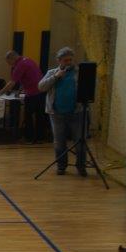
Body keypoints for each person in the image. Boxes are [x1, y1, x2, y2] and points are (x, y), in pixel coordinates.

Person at [38, 47, 86, 176]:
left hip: (76, 112)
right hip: (57, 113)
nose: (69, 62)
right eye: (66, 60)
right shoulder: (52, 72)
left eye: (70, 60)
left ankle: (81, 166)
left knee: (79, 141)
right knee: (59, 141)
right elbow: (41, 87)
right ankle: (61, 166)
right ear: (59, 60)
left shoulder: (79, 72)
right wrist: (55, 77)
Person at [0, 50, 47, 143]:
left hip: (33, 93)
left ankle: (28, 138)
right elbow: (27, 77)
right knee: (40, 116)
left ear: (12, 58)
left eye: (8, 62)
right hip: (41, 92)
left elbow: (12, 82)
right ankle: (40, 138)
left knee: (28, 116)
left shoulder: (20, 65)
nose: (9, 65)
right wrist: (19, 91)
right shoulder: (28, 60)